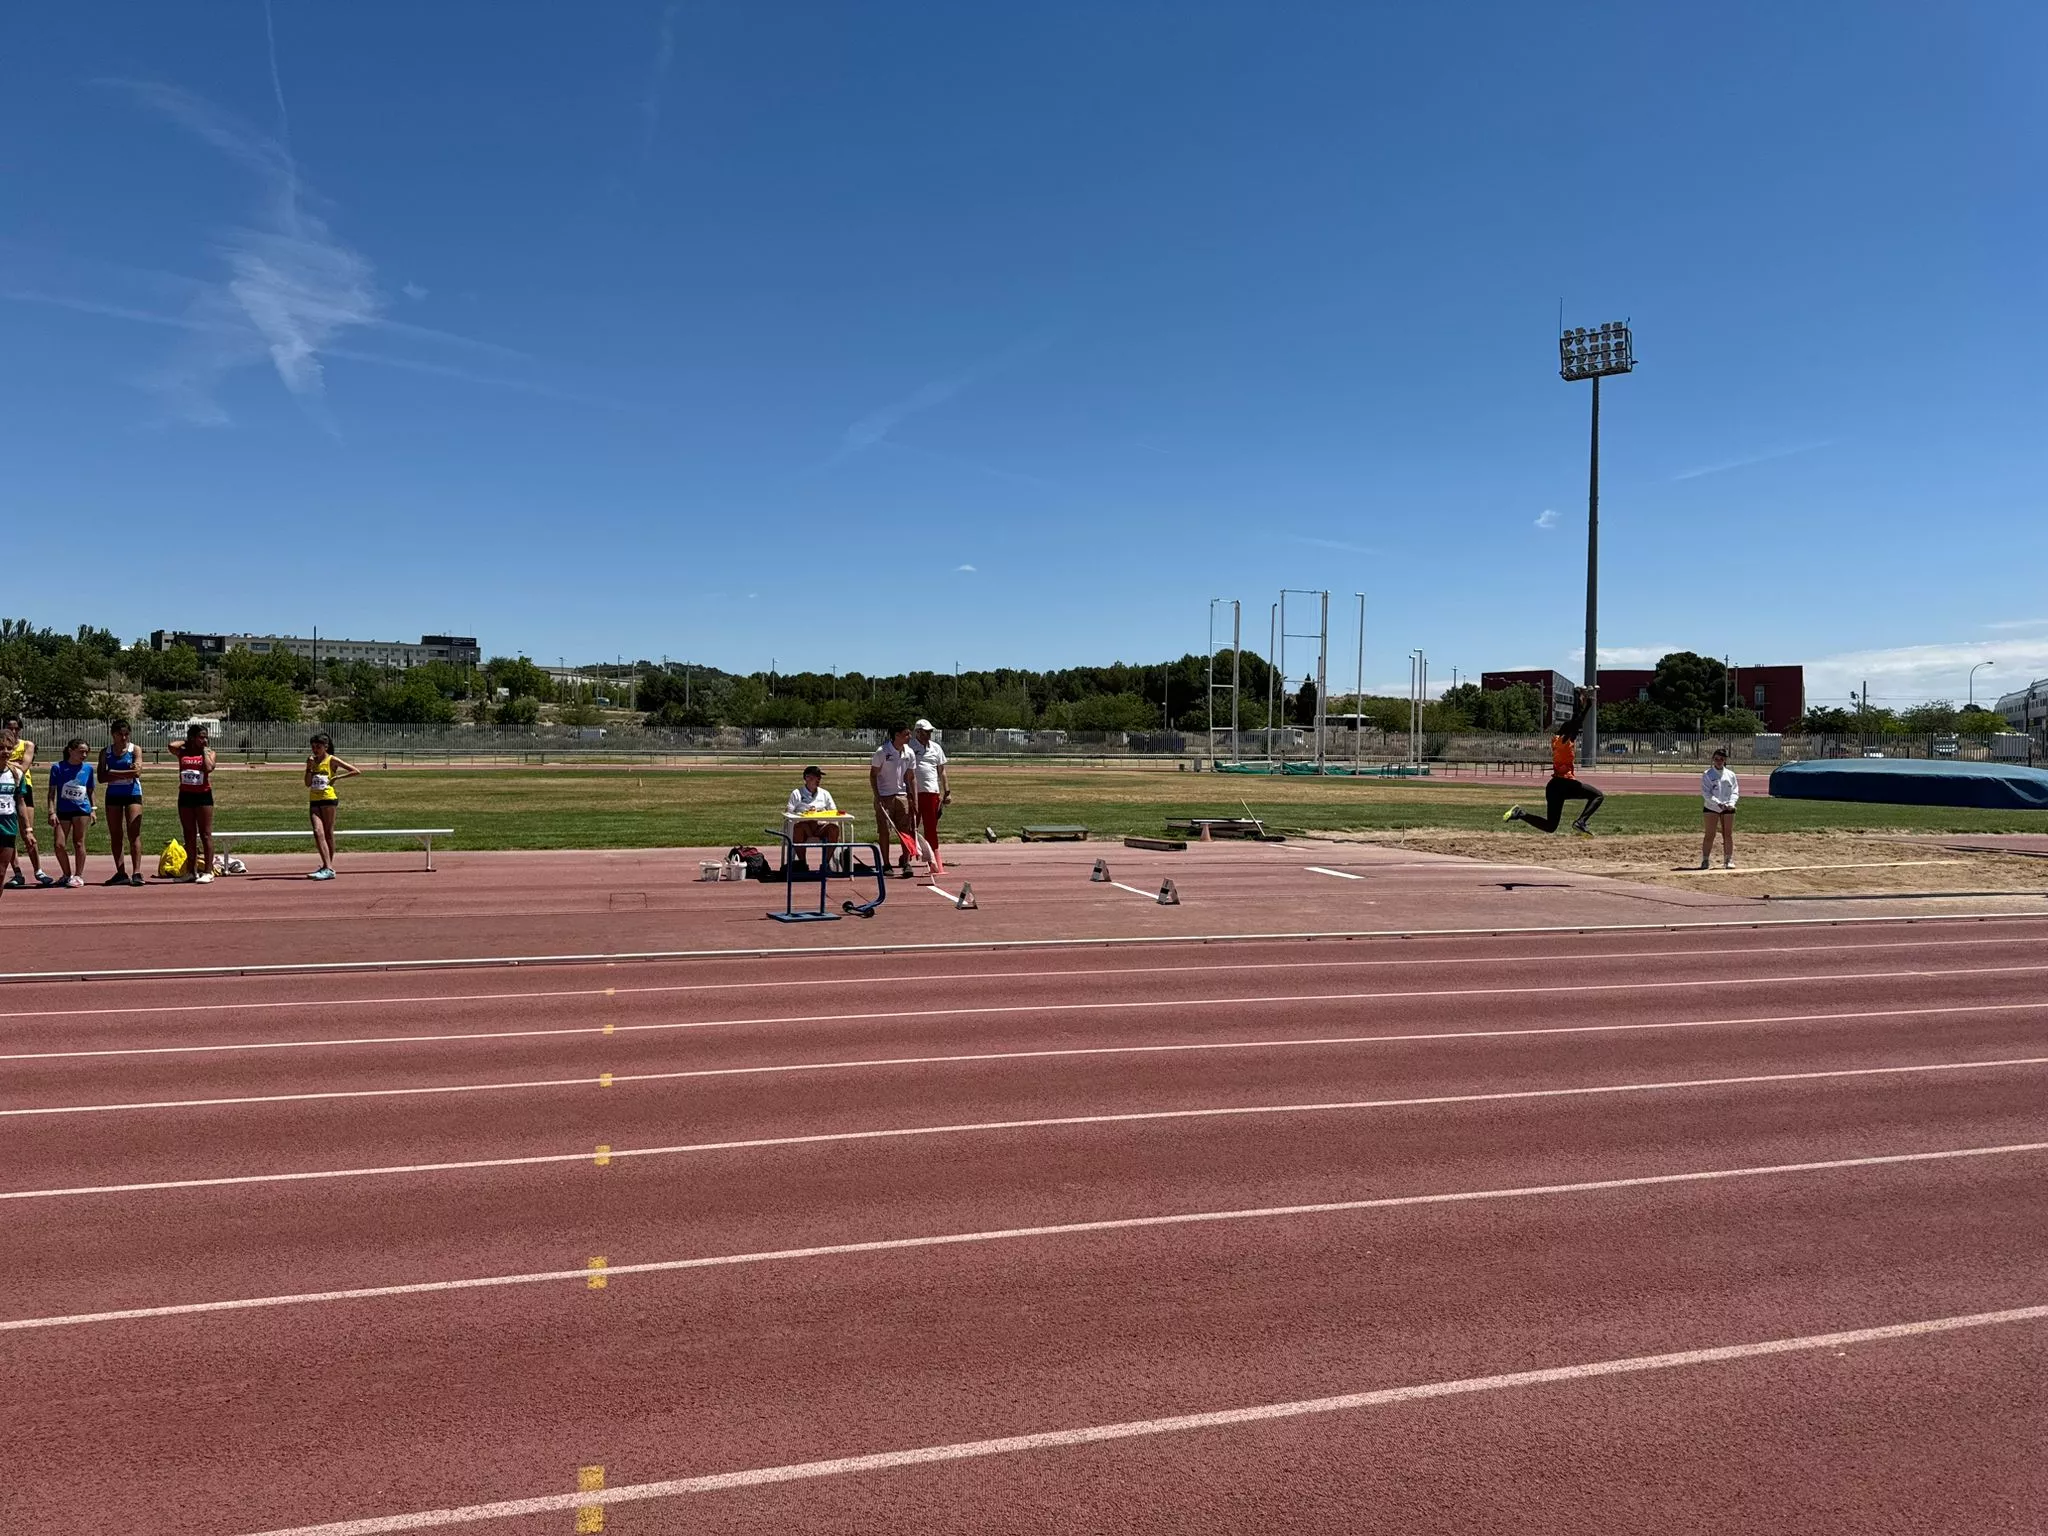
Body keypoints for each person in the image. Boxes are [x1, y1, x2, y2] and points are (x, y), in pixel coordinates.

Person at [1503, 686, 1606, 837]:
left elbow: (1576, 722)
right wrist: (1578, 697)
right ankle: (1581, 822)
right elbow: (1576, 720)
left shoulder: (1557, 740)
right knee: (1598, 796)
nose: (1576, 733)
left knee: (1551, 826)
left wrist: (1586, 706)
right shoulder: (1565, 741)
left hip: (1554, 787)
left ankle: (1520, 814)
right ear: (1568, 732)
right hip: (1565, 784)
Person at [2, 714, 54, 887]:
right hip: (5, 788)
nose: (13, 731)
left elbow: (24, 767)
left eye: (17, 727)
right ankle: (17, 872)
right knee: (9, 834)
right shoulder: (3, 745)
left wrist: (10, 763)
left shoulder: (27, 745)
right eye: (10, 727)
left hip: (23, 787)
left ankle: (38, 870)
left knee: (27, 832)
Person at [306, 732, 362, 880]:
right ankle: (327, 867)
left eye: (318, 747)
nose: (315, 750)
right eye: (313, 747)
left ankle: (328, 868)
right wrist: (309, 768)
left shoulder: (332, 760)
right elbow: (307, 783)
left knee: (328, 832)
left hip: (328, 799)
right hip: (314, 799)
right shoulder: (312, 761)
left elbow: (355, 771)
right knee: (318, 831)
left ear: (326, 747)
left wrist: (337, 777)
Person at [869, 724, 922, 877]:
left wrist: (914, 798)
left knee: (905, 830)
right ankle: (886, 864)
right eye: (906, 734)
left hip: (902, 796)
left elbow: (911, 777)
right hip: (885, 796)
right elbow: (873, 775)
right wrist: (878, 796)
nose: (909, 737)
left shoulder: (909, 753)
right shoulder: (882, 752)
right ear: (897, 735)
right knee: (884, 831)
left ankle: (906, 862)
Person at [99, 719, 145, 886]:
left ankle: (137, 872)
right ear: (113, 735)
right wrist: (127, 772)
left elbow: (137, 773)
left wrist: (113, 771)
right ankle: (120, 872)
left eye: (126, 734)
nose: (124, 737)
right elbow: (101, 777)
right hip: (113, 795)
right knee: (116, 834)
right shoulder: (106, 752)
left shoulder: (135, 750)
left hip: (132, 793)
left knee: (134, 832)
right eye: (120, 734)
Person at [47, 737, 96, 887]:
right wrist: (51, 811)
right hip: (63, 811)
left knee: (79, 842)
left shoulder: (88, 769)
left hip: (82, 810)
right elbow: (51, 792)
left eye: (86, 752)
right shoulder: (58, 768)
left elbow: (90, 790)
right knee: (59, 844)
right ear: (70, 751)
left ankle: (78, 875)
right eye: (81, 751)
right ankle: (66, 874)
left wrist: (93, 809)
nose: (84, 755)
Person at [173, 723, 218, 884]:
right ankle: (191, 871)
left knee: (205, 834)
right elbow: (171, 745)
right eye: (201, 737)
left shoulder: (210, 752)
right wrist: (187, 742)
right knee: (189, 834)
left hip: (203, 796)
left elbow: (208, 768)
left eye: (206, 737)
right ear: (192, 738)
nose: (204, 739)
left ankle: (208, 870)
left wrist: (204, 751)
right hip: (185, 796)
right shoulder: (183, 752)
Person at [908, 719, 951, 876]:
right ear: (917, 732)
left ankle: (935, 860)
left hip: (932, 792)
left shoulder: (936, 748)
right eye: (925, 732)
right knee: (911, 826)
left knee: (931, 828)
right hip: (914, 793)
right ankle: (907, 858)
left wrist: (947, 791)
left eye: (930, 732)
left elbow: (942, 771)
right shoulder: (909, 748)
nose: (928, 735)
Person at [784, 765, 841, 871]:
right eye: (816, 777)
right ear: (807, 778)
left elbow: (834, 811)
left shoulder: (825, 794)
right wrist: (803, 815)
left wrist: (822, 813)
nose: (819, 780)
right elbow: (788, 812)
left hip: (820, 825)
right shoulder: (796, 793)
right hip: (803, 826)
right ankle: (802, 864)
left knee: (834, 828)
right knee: (797, 829)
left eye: (820, 777)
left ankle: (826, 864)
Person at [1700, 748, 1739, 870]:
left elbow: (1735, 791)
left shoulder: (1731, 775)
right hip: (1712, 807)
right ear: (1713, 759)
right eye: (1716, 759)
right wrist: (1718, 803)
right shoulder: (1707, 774)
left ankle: (1728, 859)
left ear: (1725, 760)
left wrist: (1731, 803)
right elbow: (1706, 793)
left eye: (1721, 759)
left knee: (1727, 834)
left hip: (1728, 808)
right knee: (1710, 834)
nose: (1719, 761)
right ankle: (1705, 860)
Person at [0, 754, 24, 897]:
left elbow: (20, 802)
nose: (5, 751)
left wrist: (28, 829)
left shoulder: (16, 773)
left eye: (9, 748)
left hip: (8, 826)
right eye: (1, 748)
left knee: (1, 873)